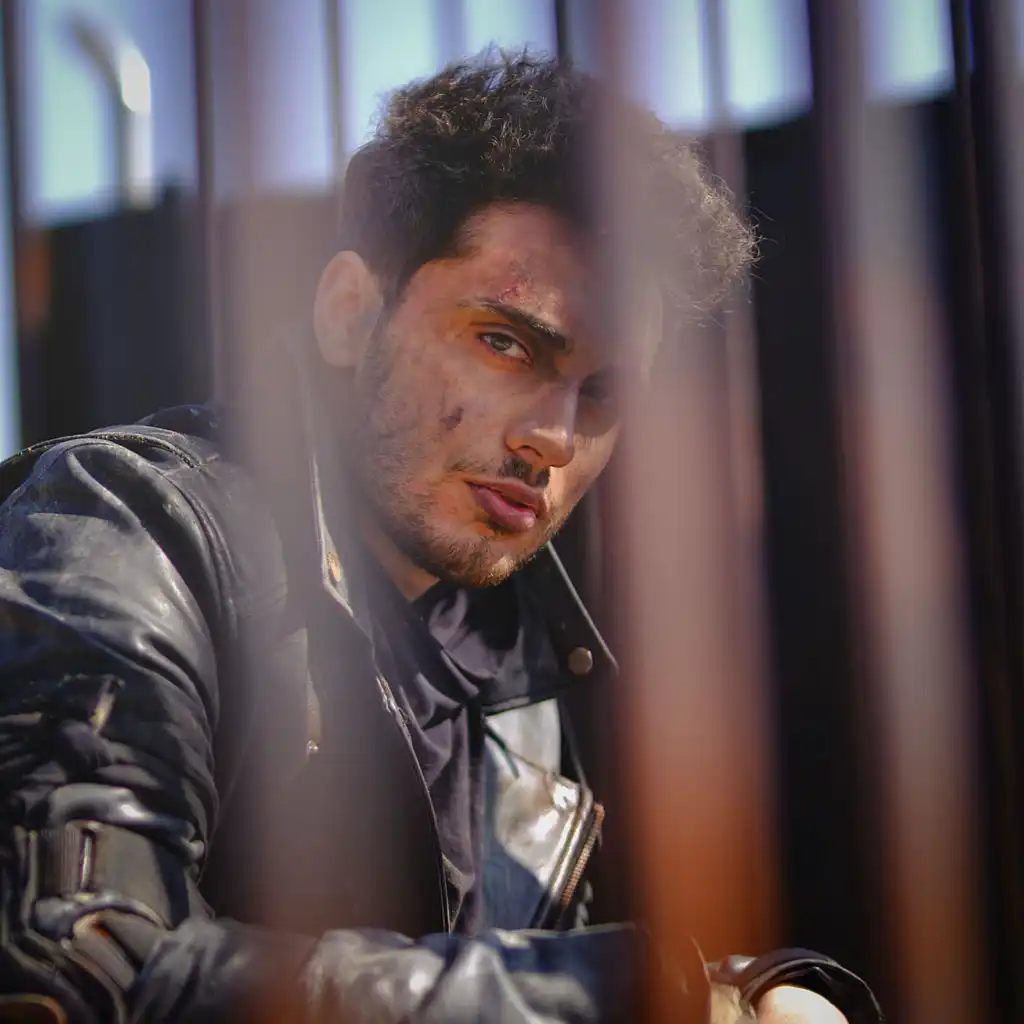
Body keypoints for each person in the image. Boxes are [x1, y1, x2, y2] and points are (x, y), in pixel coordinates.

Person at [0, 54, 882, 1024]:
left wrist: (748, 992)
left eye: (602, 392)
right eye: (506, 342)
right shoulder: (134, 528)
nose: (553, 437)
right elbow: (74, 965)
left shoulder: (529, 675)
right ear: (349, 313)